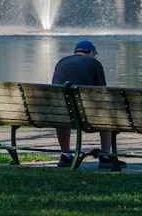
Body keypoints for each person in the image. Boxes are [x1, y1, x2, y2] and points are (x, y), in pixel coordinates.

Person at [51, 40, 121, 170]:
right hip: (87, 116)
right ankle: (105, 156)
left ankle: (65, 154)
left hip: (61, 114)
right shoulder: (94, 63)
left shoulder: (61, 62)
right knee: (107, 114)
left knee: (63, 111)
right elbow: (102, 92)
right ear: (91, 52)